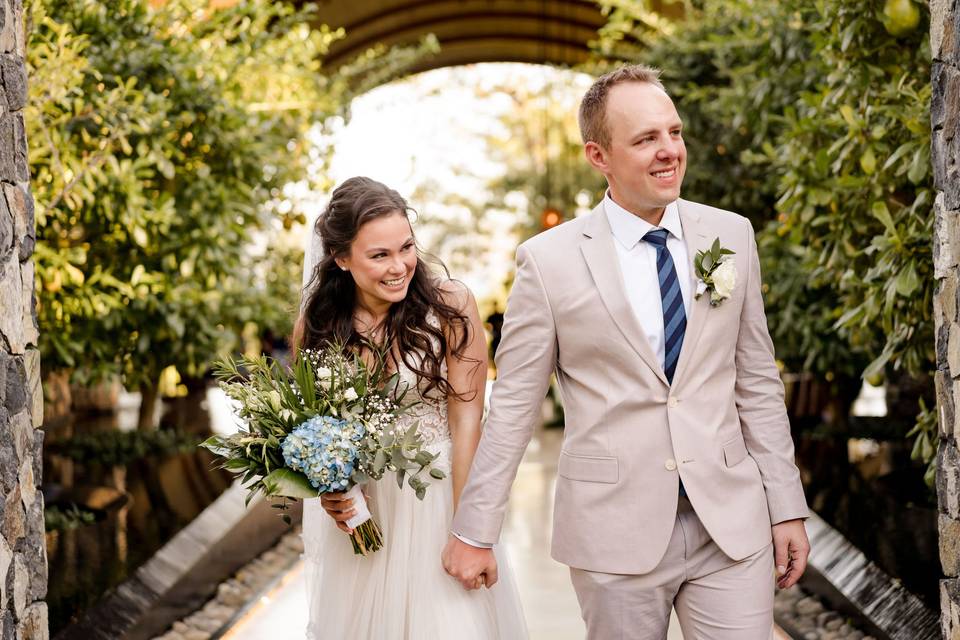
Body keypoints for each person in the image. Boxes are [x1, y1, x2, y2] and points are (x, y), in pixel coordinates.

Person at [443, 64, 811, 639]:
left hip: (730, 523)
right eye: (646, 139)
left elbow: (756, 380)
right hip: (613, 533)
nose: (670, 152)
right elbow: (513, 406)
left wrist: (786, 504)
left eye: (675, 132)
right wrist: (475, 530)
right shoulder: (548, 262)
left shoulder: (731, 235)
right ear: (599, 155)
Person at [295, 177, 527, 639]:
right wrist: (330, 490)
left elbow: (466, 424)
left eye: (406, 247)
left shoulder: (450, 307)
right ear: (341, 258)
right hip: (368, 518)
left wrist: (469, 533)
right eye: (379, 255)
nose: (399, 265)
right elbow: (316, 429)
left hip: (438, 502)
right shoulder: (318, 325)